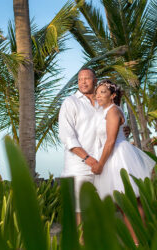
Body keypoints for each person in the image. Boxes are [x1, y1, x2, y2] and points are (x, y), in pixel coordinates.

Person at [92, 79, 155, 245]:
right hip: (111, 156)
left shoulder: (112, 111)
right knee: (124, 204)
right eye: (97, 92)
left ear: (112, 95)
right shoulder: (104, 111)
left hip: (118, 156)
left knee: (131, 202)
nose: (98, 95)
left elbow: (111, 141)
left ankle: (139, 240)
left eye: (103, 92)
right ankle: (139, 239)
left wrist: (100, 165)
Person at [58, 68, 100, 226]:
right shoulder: (70, 102)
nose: (83, 82)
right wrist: (87, 158)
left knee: (100, 209)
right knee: (79, 210)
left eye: (87, 78)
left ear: (95, 80)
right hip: (79, 166)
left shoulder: (103, 101)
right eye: (80, 79)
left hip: (102, 164)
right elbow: (67, 136)